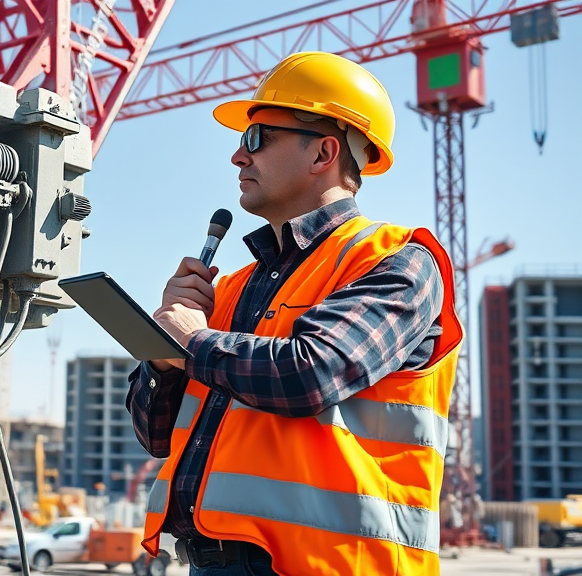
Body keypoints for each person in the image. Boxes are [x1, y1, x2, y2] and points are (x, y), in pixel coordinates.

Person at [126, 51, 463, 576]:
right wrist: (162, 357)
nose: (238, 157)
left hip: (336, 566)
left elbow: (312, 372)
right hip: (210, 561)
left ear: (323, 152)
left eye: (257, 138)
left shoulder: (397, 261)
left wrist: (193, 343)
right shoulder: (230, 290)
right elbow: (157, 437)